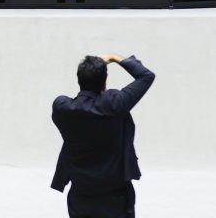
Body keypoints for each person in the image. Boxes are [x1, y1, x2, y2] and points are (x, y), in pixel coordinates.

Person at [51, 54, 155, 218]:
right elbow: (146, 76)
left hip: (81, 195)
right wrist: (115, 58)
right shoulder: (115, 104)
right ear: (104, 81)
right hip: (115, 196)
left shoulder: (62, 108)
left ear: (79, 80)